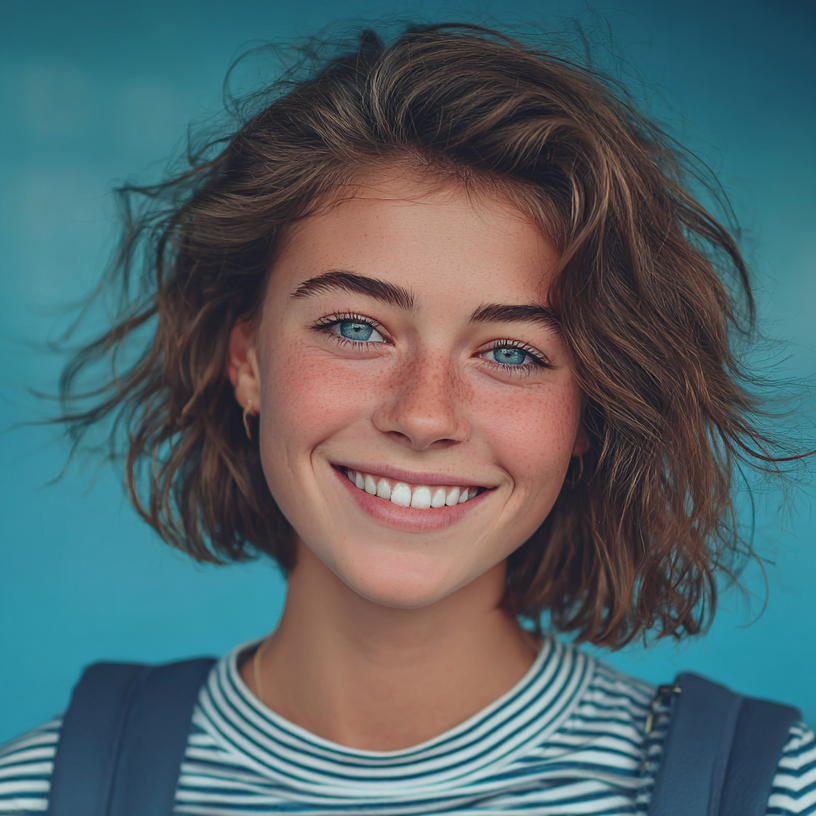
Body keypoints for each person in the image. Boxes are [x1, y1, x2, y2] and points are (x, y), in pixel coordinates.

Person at [0, 21, 813, 815]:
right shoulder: (34, 792)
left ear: (591, 414)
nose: (423, 416)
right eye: (356, 328)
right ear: (246, 360)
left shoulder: (779, 792)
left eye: (512, 352)